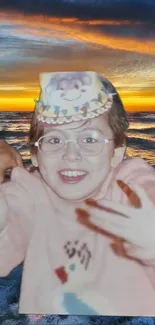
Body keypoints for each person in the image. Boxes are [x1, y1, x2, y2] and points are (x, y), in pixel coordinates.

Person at [0, 71, 155, 316]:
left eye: (90, 139)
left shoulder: (129, 181)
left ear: (116, 151)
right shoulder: (31, 189)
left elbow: (148, 191)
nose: (71, 155)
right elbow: (9, 229)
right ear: (35, 154)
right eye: (54, 140)